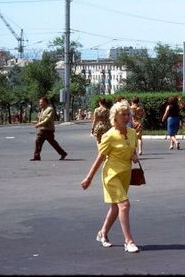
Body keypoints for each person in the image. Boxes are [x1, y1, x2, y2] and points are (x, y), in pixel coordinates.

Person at [81, 99, 140, 253]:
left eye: (128, 114)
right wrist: (89, 178)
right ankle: (128, 241)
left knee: (115, 207)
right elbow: (100, 158)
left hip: (125, 174)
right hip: (111, 176)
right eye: (123, 114)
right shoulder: (109, 136)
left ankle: (102, 233)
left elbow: (132, 149)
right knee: (124, 205)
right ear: (115, 117)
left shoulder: (132, 133)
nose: (126, 117)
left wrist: (134, 155)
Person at [31, 97, 68, 161]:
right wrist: (37, 123)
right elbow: (41, 119)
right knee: (38, 142)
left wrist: (39, 124)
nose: (39, 103)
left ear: (45, 102)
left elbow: (47, 119)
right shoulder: (43, 109)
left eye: (41, 102)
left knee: (52, 143)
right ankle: (36, 156)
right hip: (42, 129)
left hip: (48, 130)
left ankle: (63, 153)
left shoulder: (50, 109)